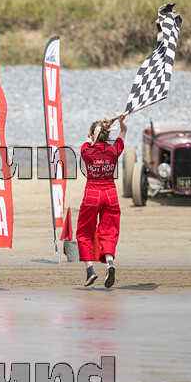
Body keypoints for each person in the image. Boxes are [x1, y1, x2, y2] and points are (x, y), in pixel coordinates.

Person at [76, 114, 127, 287]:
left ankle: (90, 270)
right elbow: (123, 133)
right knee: (109, 232)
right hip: (110, 194)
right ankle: (110, 262)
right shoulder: (114, 150)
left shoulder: (86, 151)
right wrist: (120, 123)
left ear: (93, 135)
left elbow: (87, 141)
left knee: (84, 233)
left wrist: (95, 134)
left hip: (92, 193)